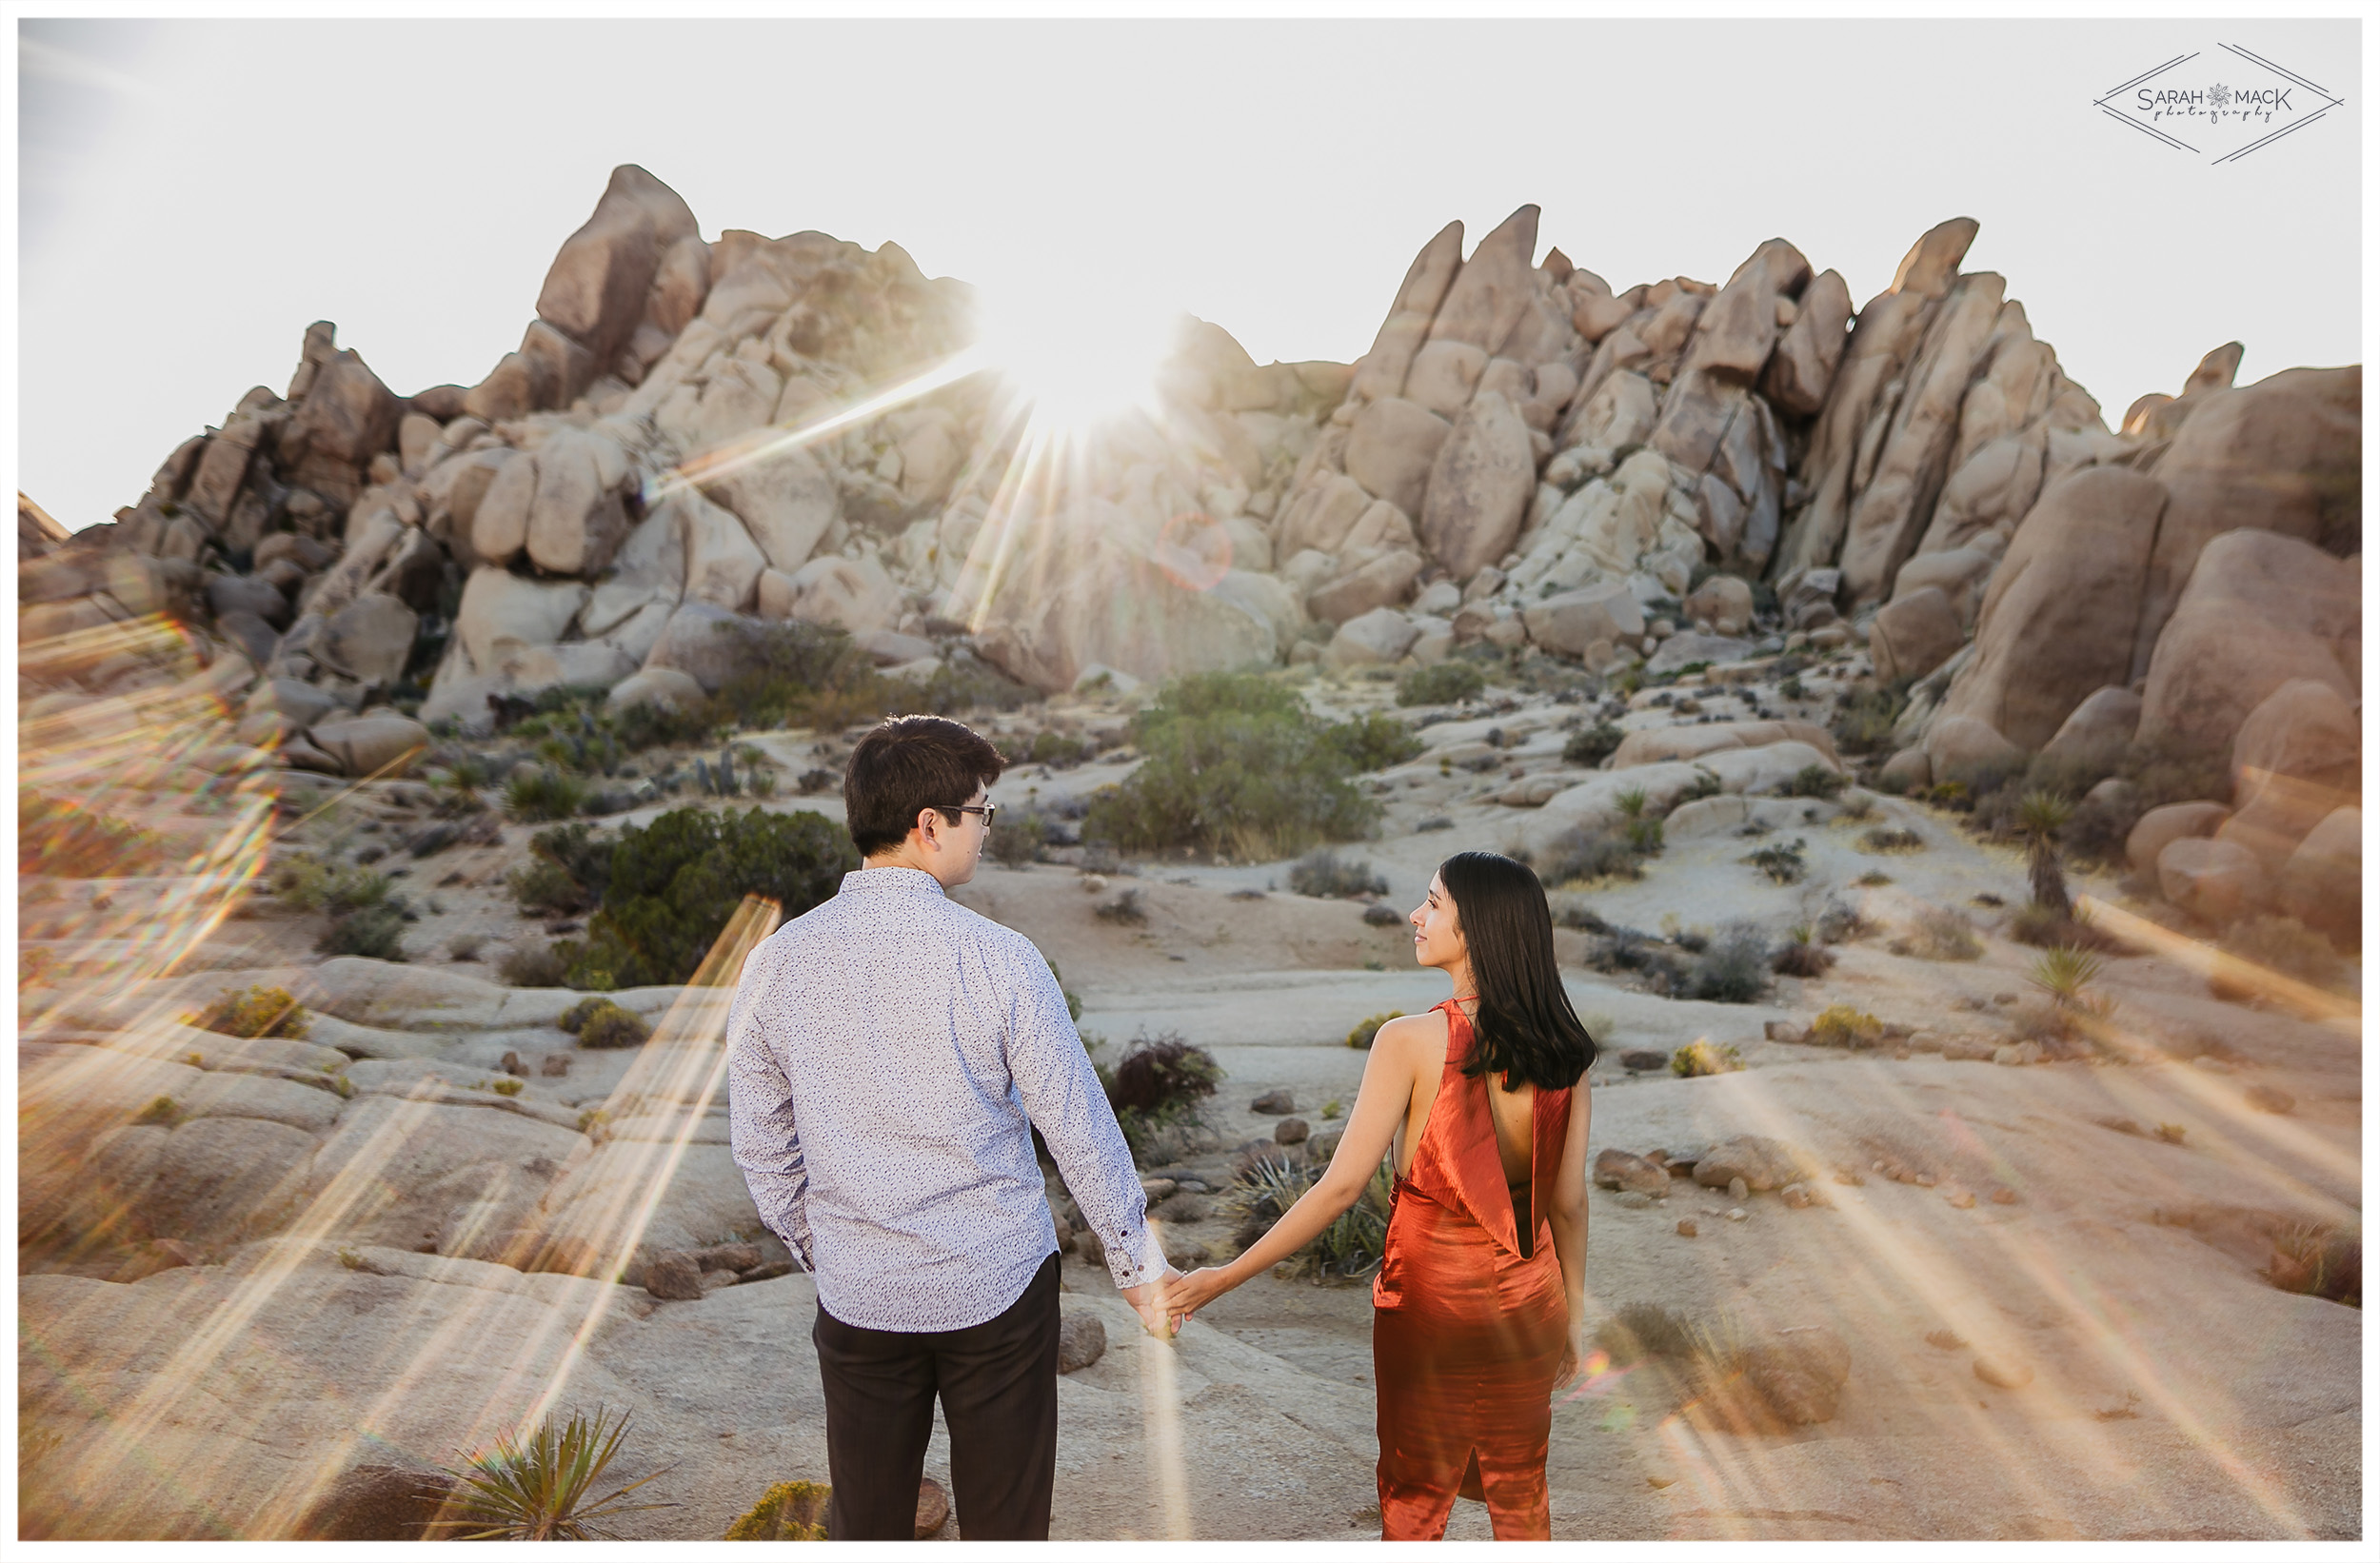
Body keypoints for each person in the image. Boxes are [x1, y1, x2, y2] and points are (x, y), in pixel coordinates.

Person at [725, 714, 1178, 1542]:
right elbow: (1077, 1123)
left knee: (867, 1527)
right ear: (929, 826)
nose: (985, 831)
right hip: (996, 1289)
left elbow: (760, 1142)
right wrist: (1136, 1264)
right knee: (1007, 1530)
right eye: (981, 813)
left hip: (860, 1294)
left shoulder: (778, 961)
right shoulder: (998, 957)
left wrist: (825, 1247)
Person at [1165, 850, 1595, 1541]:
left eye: (1433, 904)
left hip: (1431, 1307)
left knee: (1415, 1495)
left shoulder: (1410, 1040)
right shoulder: (1565, 1051)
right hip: (1532, 1302)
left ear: (1476, 927)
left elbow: (1339, 1190)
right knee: (1521, 1488)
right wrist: (1572, 1315)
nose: (1415, 916)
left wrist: (1222, 1279)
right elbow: (1568, 1204)